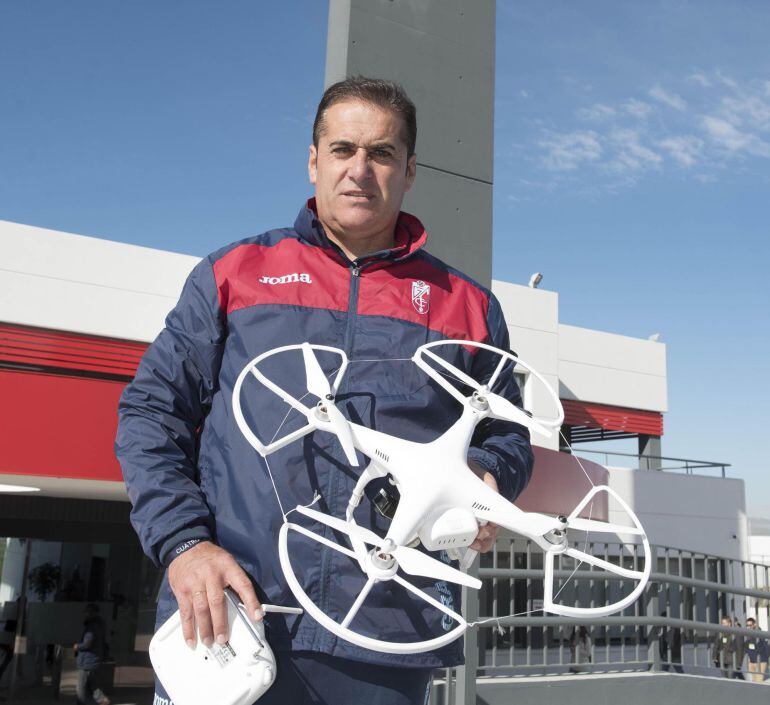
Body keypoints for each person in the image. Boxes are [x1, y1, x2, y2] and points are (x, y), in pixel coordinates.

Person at [116, 76, 533, 705]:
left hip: (387, 631)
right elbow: (151, 414)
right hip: (235, 618)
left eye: (382, 154)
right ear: (313, 162)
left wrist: (483, 474)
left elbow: (508, 431)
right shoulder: (232, 275)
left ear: (410, 170)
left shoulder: (469, 306)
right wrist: (184, 544)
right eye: (343, 150)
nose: (360, 171)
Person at [73, 603, 110, 705]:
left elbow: (87, 643)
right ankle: (103, 700)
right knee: (93, 686)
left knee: (81, 688)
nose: (85, 615)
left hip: (87, 662)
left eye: (87, 613)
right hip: (95, 661)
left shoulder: (91, 627)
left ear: (91, 613)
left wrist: (77, 646)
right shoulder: (101, 625)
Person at [744, 616, 767, 683]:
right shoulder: (748, 634)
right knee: (754, 681)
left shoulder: (759, 633)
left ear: (754, 624)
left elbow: (761, 647)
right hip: (752, 661)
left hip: (760, 660)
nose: (748, 627)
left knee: (759, 681)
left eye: (750, 625)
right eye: (747, 625)